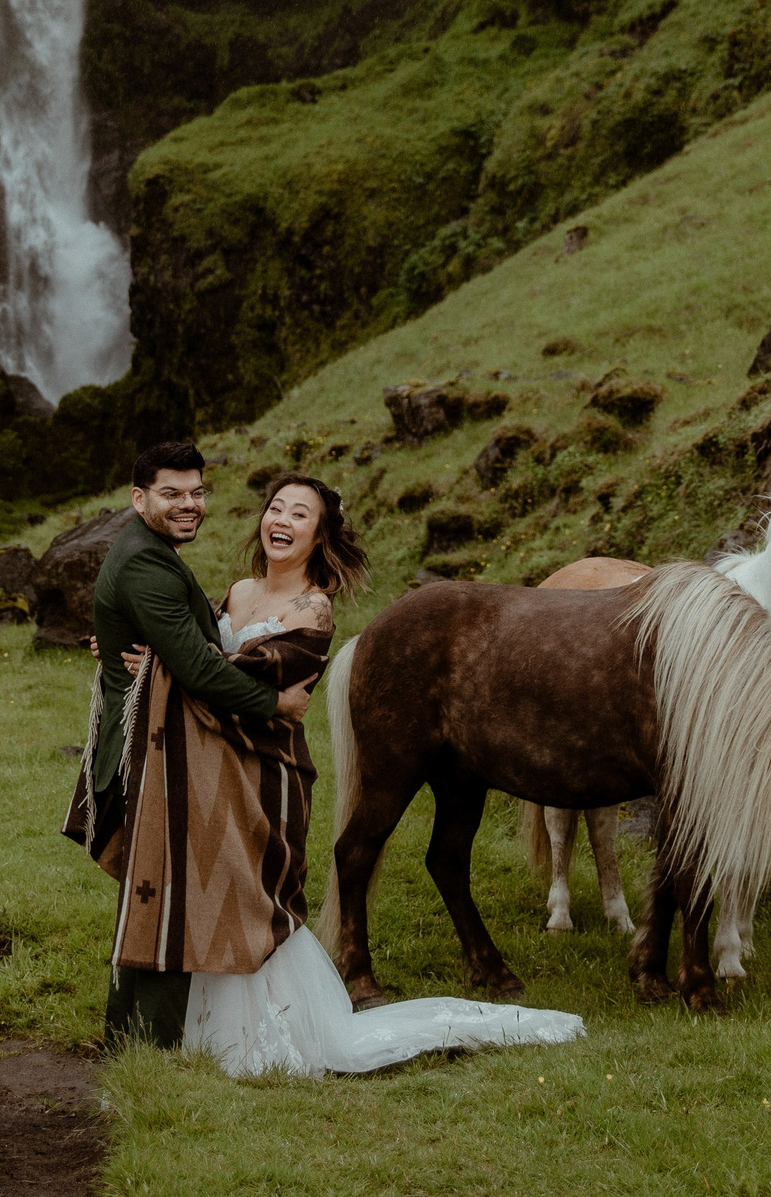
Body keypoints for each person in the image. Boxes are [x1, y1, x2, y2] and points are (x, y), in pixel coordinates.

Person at [67, 454, 586, 1075]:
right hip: (205, 770)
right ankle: (202, 1025)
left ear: (319, 535)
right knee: (206, 886)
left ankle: (269, 1029)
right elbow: (188, 643)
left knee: (247, 891)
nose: (281, 520)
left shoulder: (313, 610)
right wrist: (141, 648)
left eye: (300, 514)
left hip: (260, 769)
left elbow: (220, 669)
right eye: (276, 508)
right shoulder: (236, 592)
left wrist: (197, 674)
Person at [61, 441, 313, 1050]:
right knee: (165, 892)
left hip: (169, 743)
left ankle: (143, 1038)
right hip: (155, 753)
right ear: (138, 498)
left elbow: (190, 644)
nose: (189, 504)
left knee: (163, 891)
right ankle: (147, 1045)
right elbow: (200, 670)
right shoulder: (147, 562)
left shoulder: (152, 552)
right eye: (172, 494)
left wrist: (140, 647)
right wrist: (275, 704)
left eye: (197, 492)